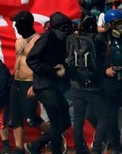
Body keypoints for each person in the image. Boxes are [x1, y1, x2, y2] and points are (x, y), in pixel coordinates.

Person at [25, 12, 73, 154]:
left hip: (54, 86)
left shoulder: (60, 40)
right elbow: (31, 59)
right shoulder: (47, 38)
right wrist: (52, 71)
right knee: (57, 123)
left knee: (65, 122)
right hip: (45, 87)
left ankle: (35, 145)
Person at [7, 11, 51, 154]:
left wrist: (35, 85)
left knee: (31, 117)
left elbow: (43, 64)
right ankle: (19, 148)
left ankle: (54, 133)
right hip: (17, 82)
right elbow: (17, 62)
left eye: (18, 23)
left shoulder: (38, 40)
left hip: (30, 82)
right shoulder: (18, 41)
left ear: (25, 23)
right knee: (15, 117)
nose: (16, 25)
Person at [66, 16, 108, 154]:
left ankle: (79, 148)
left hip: (76, 84)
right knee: (103, 117)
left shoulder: (72, 39)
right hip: (94, 85)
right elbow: (107, 53)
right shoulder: (97, 39)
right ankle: (96, 148)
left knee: (78, 119)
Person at [100, 8, 122, 154]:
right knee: (111, 116)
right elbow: (95, 61)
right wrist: (105, 70)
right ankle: (114, 145)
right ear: (109, 25)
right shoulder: (101, 40)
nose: (120, 26)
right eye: (117, 23)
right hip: (110, 83)